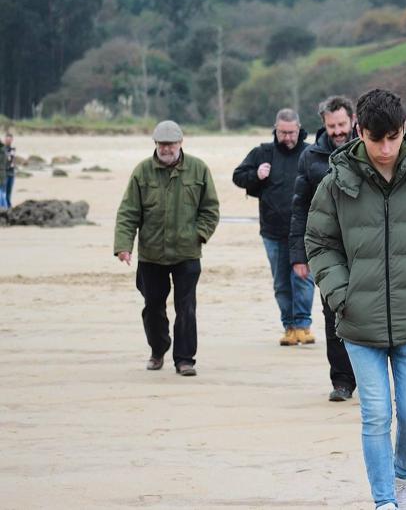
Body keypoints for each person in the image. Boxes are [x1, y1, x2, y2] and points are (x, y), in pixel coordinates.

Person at [305, 89, 406, 510]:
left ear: (404, 129)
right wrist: (342, 294)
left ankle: (402, 479)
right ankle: (384, 503)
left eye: (393, 137)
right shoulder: (336, 181)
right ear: (360, 131)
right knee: (376, 415)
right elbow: (320, 242)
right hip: (359, 322)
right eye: (377, 139)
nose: (386, 148)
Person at [114, 120, 220, 376]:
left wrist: (199, 235)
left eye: (170, 144)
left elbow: (211, 209)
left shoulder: (198, 169)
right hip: (151, 254)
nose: (166, 149)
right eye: (161, 144)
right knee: (153, 307)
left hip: (187, 253)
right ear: (155, 145)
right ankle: (158, 349)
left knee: (186, 308)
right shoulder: (142, 172)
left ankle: (185, 360)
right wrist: (123, 246)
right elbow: (128, 212)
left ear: (180, 143)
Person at [289, 95, 358, 402]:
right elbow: (300, 207)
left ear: (353, 120)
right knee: (333, 316)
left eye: (342, 124)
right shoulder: (311, 157)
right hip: (327, 250)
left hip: (364, 247)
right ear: (324, 125)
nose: (337, 130)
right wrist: (298, 255)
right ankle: (342, 382)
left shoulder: (369, 148)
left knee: (368, 314)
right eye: (331, 126)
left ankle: (370, 378)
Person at [232, 109, 315, 346]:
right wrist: (256, 175)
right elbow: (238, 176)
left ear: (299, 129)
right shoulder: (263, 153)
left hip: (304, 232)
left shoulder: (310, 153)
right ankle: (289, 327)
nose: (287, 137)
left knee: (304, 279)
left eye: (291, 132)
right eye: (282, 132)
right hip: (272, 231)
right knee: (281, 283)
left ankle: (303, 325)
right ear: (275, 130)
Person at [3, 133, 16, 208]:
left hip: (11, 174)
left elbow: (13, 162)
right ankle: (5, 207)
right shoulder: (2, 150)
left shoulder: (12, 149)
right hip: (4, 174)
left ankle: (8, 207)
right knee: (3, 193)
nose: (8, 141)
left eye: (10, 140)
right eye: (7, 139)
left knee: (8, 193)